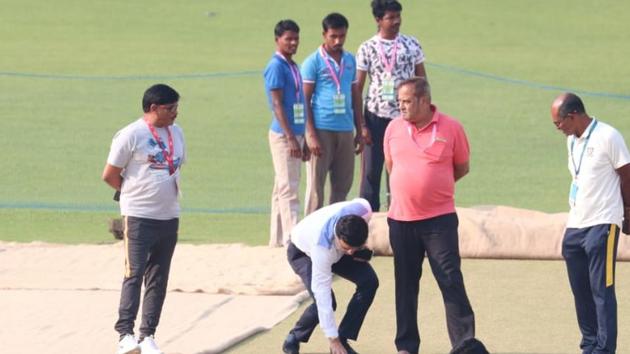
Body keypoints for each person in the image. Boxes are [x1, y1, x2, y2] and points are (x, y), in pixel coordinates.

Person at [384, 77, 487, 354]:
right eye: (399, 101)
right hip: (401, 221)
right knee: (405, 285)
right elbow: (391, 166)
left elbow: (462, 167)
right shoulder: (393, 128)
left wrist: (433, 189)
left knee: (450, 279)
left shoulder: (451, 127)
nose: (401, 106)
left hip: (439, 221)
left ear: (424, 101)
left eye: (406, 101)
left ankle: (464, 345)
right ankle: (406, 346)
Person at [102, 84, 186, 354]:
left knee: (158, 277)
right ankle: (124, 335)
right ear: (153, 108)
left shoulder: (177, 133)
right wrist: (131, 195)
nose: (175, 113)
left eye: (176, 107)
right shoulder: (131, 134)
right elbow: (110, 174)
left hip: (169, 215)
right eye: (170, 108)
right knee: (134, 273)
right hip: (138, 215)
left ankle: (147, 335)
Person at [550, 92, 630, 354]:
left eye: (558, 123)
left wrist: (627, 213)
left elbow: (626, 176)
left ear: (572, 116)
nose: (558, 129)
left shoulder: (609, 136)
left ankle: (604, 349)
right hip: (576, 225)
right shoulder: (572, 141)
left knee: (602, 291)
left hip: (603, 224)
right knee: (581, 291)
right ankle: (590, 344)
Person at [281, 198, 379, 354]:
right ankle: (294, 337)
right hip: (301, 252)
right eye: (348, 248)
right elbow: (322, 293)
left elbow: (352, 245)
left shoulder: (364, 209)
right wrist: (332, 339)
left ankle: (344, 338)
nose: (351, 253)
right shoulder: (322, 249)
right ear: (338, 237)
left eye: (355, 248)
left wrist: (360, 249)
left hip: (336, 251)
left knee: (369, 281)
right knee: (329, 301)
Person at [356, 0, 427, 212]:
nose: (396, 22)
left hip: (405, 118)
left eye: (398, 17)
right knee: (371, 172)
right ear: (378, 20)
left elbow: (422, 81)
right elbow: (357, 89)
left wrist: (424, 117)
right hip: (375, 117)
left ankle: (400, 217)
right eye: (391, 18)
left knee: (402, 170)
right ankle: (366, 224)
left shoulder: (411, 44)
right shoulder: (367, 47)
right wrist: (361, 126)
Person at [302, 13, 367, 216]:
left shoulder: (349, 59)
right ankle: (308, 238)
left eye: (342, 36)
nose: (338, 41)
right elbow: (304, 100)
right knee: (316, 188)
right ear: (324, 35)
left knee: (342, 186)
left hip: (346, 130)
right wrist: (310, 134)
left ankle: (334, 233)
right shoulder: (313, 62)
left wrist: (360, 128)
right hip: (321, 129)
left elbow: (356, 95)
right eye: (333, 36)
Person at [264, 19, 309, 247]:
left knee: (281, 187)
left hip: (296, 132)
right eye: (288, 39)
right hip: (284, 135)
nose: (293, 43)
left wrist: (303, 138)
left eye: (296, 39)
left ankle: (278, 239)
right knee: (289, 188)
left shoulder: (293, 65)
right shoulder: (276, 66)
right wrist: (291, 137)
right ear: (277, 40)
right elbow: (277, 104)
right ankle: (294, 240)